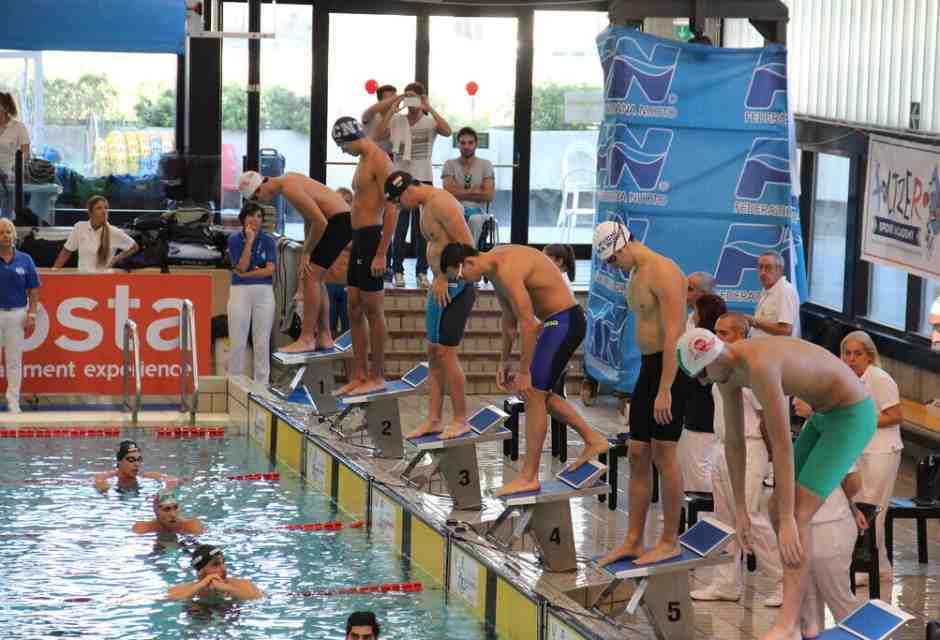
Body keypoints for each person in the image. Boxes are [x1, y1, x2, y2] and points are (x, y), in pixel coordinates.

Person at [676, 324, 876, 640]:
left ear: (715, 358)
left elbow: (782, 447)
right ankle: (809, 618)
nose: (703, 382)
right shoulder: (727, 371)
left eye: (702, 375)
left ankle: (788, 623)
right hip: (824, 415)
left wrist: (787, 520)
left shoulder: (760, 366)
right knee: (773, 507)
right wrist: (740, 509)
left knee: (796, 516)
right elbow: (734, 443)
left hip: (852, 415)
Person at [440, 243, 610, 495]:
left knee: (532, 393)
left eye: (462, 277)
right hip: (555, 323)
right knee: (541, 397)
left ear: (469, 262)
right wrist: (503, 360)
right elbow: (509, 320)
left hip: (564, 321)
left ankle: (529, 476)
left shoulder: (507, 269)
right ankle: (593, 439)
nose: (466, 282)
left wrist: (523, 372)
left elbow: (528, 324)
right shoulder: (494, 269)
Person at [593, 221, 689, 566]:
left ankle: (669, 540)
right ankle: (634, 541)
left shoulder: (663, 271)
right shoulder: (635, 272)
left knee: (664, 454)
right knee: (637, 454)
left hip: (673, 369)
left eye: (611, 259)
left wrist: (665, 389)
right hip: (649, 369)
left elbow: (675, 334)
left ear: (622, 245)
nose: (611, 266)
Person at [794, 330, 901, 586]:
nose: (851, 359)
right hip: (857, 448)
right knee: (859, 501)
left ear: (869, 356)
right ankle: (881, 566)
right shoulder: (844, 380)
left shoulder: (880, 378)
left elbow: (895, 416)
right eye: (847, 353)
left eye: (857, 354)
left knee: (872, 508)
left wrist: (859, 420)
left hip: (881, 450)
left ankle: (868, 563)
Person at [690, 312, 783, 606]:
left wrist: (775, 462)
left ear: (742, 336)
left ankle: (782, 579)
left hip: (750, 447)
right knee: (724, 519)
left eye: (725, 333)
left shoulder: (753, 369)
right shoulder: (721, 366)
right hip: (722, 446)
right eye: (715, 331)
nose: (717, 338)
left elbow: (768, 417)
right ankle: (726, 582)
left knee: (751, 518)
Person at [384, 172, 476, 440]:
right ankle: (434, 419)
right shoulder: (425, 205)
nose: (399, 208)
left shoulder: (442, 203)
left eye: (399, 202)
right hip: (440, 286)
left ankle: (461, 420)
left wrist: (445, 276)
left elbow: (468, 248)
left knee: (447, 354)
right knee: (434, 353)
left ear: (409, 191)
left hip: (456, 287)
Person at [239, 171, 350, 353]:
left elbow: (320, 222)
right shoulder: (288, 182)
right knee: (316, 277)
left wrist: (307, 251)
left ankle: (307, 338)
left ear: (261, 187)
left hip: (338, 222)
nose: (261, 202)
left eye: (257, 197)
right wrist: (308, 252)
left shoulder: (288, 186)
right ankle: (325, 336)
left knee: (311, 277)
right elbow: (310, 219)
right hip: (339, 221)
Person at [331, 117, 398, 397]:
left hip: (373, 238)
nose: (342, 152)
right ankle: (359, 374)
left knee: (373, 308)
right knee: (354, 308)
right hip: (359, 239)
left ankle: (377, 375)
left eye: (341, 146)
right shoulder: (363, 159)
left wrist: (382, 253)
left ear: (350, 139)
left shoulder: (379, 160)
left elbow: (394, 208)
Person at [375, 82, 452, 288]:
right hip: (400, 179)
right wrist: (394, 107)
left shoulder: (429, 122)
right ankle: (398, 270)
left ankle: (421, 272)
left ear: (421, 98)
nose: (411, 102)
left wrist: (430, 108)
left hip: (423, 180)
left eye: (414, 97)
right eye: (407, 97)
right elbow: (378, 135)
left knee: (423, 230)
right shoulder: (397, 120)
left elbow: (448, 131)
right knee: (398, 228)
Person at [800, 467, 867, 639]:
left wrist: (847, 505)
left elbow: (852, 481)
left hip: (830, 524)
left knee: (838, 597)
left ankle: (861, 635)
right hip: (803, 523)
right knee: (808, 604)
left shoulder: (834, 441)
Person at [224, 202, 277, 384]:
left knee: (262, 342)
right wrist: (250, 242)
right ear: (243, 218)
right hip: (240, 291)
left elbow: (269, 270)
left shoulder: (269, 240)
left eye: (259, 216)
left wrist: (246, 274)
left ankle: (262, 386)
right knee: (237, 340)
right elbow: (240, 266)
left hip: (264, 292)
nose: (255, 219)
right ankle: (234, 384)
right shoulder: (234, 239)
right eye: (251, 215)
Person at [678, 293, 725, 494]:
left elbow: (701, 375)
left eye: (696, 311)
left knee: (698, 466)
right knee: (694, 463)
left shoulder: (706, 343)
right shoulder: (708, 339)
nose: (693, 314)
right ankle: (692, 510)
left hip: (702, 410)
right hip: (699, 408)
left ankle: (703, 512)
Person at [0, 218, 39, 413]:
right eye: (1, 233)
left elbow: (33, 290)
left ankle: (13, 402)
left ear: (14, 235)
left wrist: (32, 313)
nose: (5, 236)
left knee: (14, 361)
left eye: (8, 232)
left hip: (16, 314)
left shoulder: (25, 260)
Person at [52, 196, 139, 272]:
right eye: (99, 208)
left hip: (103, 281)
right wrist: (54, 271)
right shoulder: (79, 227)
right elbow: (66, 251)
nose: (104, 211)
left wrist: (115, 259)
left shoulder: (114, 231)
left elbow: (134, 247)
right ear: (90, 212)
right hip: (82, 279)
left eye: (106, 208)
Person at [442, 127, 495, 247]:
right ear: (458, 144)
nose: (466, 146)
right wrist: (476, 191)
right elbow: (448, 192)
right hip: (455, 208)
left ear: (476, 144)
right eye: (463, 143)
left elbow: (489, 195)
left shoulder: (485, 164)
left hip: (478, 211)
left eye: (470, 143)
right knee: (453, 216)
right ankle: (457, 255)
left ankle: (470, 253)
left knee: (474, 220)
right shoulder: (449, 164)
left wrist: (459, 191)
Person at [167, 544, 262, 601]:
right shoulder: (186, 589)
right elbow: (167, 599)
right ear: (201, 571)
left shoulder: (240, 584)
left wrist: (228, 589)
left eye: (223, 562)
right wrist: (202, 584)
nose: (223, 568)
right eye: (216, 564)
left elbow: (259, 597)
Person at [746, 250, 801, 338]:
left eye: (768, 267)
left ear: (780, 270)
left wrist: (754, 321)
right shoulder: (768, 288)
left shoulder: (785, 290)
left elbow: (786, 331)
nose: (763, 272)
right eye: (760, 267)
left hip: (775, 349)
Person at [94, 440, 179, 494]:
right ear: (119, 462)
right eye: (131, 460)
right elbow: (99, 484)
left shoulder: (147, 476)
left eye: (139, 459)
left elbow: (173, 480)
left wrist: (162, 494)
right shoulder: (106, 477)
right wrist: (103, 488)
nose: (136, 464)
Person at [0, 92, 30, 218]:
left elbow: (25, 153)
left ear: (5, 107)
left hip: (11, 175)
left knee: (7, 213)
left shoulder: (18, 127)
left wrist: (16, 170)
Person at [132, 489, 206, 536]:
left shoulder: (192, 526)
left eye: (175, 508)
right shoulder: (142, 528)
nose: (173, 514)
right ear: (156, 512)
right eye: (167, 509)